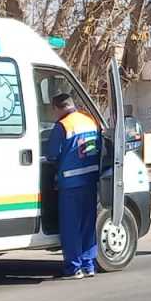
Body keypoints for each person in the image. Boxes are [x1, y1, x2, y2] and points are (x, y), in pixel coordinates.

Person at [45, 94, 102, 279]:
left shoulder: (62, 125)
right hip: (90, 181)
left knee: (71, 227)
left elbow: (52, 154)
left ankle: (74, 268)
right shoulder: (89, 121)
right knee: (87, 224)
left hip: (70, 184)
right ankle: (89, 265)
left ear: (58, 108)